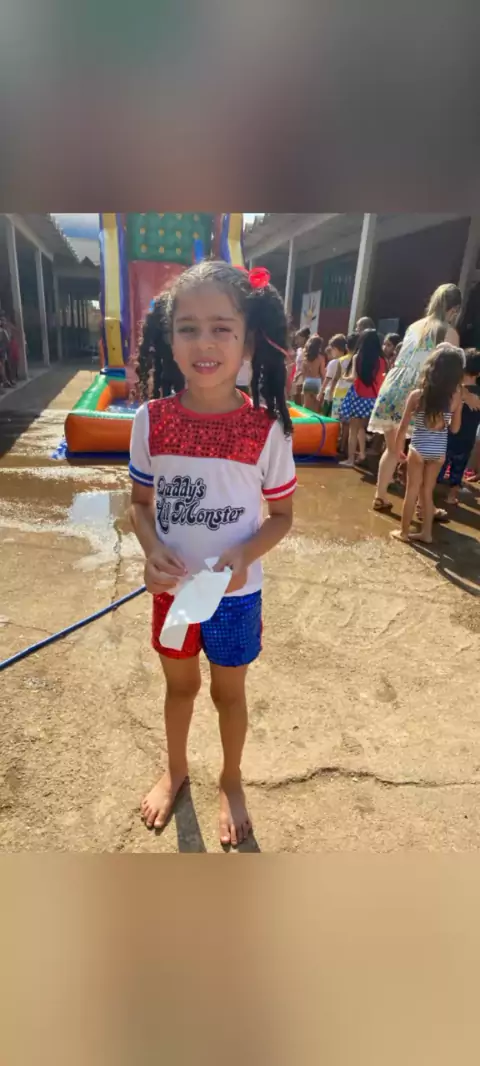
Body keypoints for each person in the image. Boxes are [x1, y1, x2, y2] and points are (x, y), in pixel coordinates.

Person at [129, 260, 296, 847]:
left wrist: (244, 555)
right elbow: (139, 505)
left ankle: (230, 778)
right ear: (168, 339)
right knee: (179, 688)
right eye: (189, 328)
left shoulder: (266, 430)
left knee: (229, 693)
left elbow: (282, 517)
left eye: (222, 328)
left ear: (248, 341)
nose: (205, 342)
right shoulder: (150, 421)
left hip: (235, 598)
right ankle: (175, 769)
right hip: (175, 594)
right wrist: (152, 551)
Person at [369, 283, 462, 513]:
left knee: (392, 450)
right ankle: (422, 506)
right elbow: (449, 369)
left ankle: (380, 496)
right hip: (421, 390)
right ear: (454, 309)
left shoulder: (414, 326)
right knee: (424, 453)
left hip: (393, 388)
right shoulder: (448, 332)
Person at [391, 344, 464, 544]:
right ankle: (426, 534)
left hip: (418, 448)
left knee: (412, 490)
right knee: (427, 491)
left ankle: (404, 533)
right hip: (438, 451)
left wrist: (398, 450)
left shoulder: (418, 395)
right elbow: (455, 429)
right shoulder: (456, 397)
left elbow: (403, 427)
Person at [338, 329, 386, 467]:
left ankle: (350, 460)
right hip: (373, 398)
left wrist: (344, 377)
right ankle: (363, 453)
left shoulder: (357, 357)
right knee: (361, 428)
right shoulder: (382, 360)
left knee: (353, 430)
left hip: (358, 397)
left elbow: (354, 377)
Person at [439, 349, 480, 504]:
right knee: (458, 468)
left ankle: (428, 493)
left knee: (440, 465)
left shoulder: (454, 390)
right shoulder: (477, 394)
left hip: (448, 435)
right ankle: (452, 496)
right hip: (468, 438)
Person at [318, 334, 347, 416]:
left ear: (336, 349)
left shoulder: (333, 363)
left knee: (326, 417)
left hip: (330, 394)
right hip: (344, 394)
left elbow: (327, 379)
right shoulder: (348, 361)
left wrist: (321, 392)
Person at [301, 334, 326, 411]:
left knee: (306, 406)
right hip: (316, 381)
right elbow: (322, 373)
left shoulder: (305, 358)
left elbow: (303, 373)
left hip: (307, 381)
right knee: (315, 407)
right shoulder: (321, 358)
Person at [292, 327, 311, 403]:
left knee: (301, 401)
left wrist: (298, 375)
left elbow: (306, 366)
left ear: (303, 338)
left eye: (298, 338)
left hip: (303, 379)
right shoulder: (299, 350)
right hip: (297, 378)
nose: (296, 341)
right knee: (296, 400)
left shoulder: (308, 351)